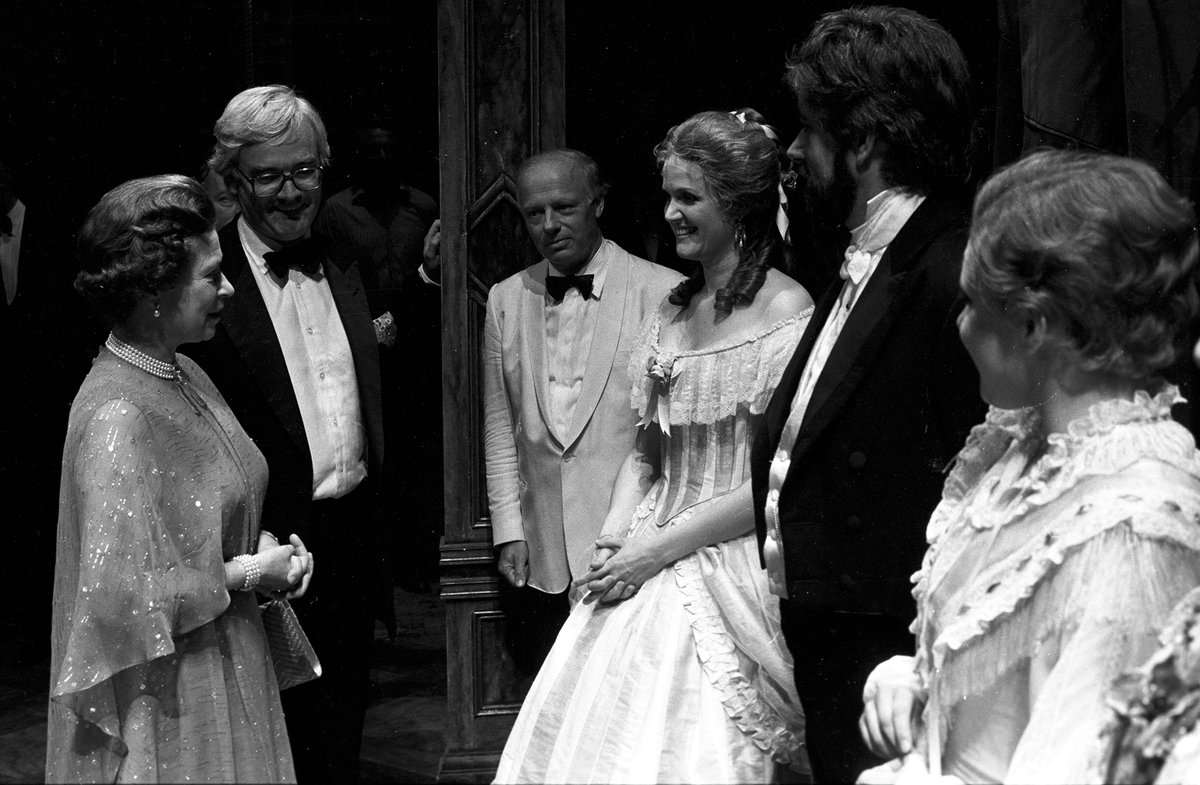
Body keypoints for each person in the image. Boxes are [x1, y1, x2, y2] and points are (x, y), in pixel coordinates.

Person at [858, 149, 1200, 784]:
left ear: (1034, 324)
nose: (958, 327)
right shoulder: (1020, 450)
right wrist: (915, 683)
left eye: (970, 305)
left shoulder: (1137, 527)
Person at [496, 109, 813, 783]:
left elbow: (769, 479)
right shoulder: (671, 307)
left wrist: (652, 550)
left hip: (728, 557)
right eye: (667, 195)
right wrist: (611, 542)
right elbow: (646, 452)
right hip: (642, 545)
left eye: (688, 197)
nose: (669, 212)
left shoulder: (787, 310)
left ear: (738, 202)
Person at [749, 8, 986, 780]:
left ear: (863, 142)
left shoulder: (952, 268)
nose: (792, 150)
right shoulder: (864, 254)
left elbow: (979, 484)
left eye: (810, 130)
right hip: (828, 629)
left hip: (890, 644)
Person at [45, 174, 314, 783]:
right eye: (211, 275)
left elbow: (200, 516)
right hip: (171, 694)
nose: (228, 289)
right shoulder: (119, 416)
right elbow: (117, 603)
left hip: (226, 656)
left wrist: (262, 550)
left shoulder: (183, 370)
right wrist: (249, 572)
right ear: (154, 291)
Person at [184, 85, 385, 784]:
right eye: (269, 175)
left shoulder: (346, 255)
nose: (291, 191)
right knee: (265, 754)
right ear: (235, 178)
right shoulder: (208, 284)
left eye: (305, 170)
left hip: (352, 538)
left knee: (341, 739)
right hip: (262, 550)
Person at [483, 148, 681, 673]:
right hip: (541, 555)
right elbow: (502, 427)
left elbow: (665, 438)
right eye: (533, 213)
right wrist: (509, 529)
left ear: (597, 204)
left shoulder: (661, 291)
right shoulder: (505, 298)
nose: (549, 226)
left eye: (564, 208)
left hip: (626, 548)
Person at [313, 123, 443, 592]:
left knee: (416, 446)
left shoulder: (423, 205)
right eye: (374, 150)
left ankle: (417, 561)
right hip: (359, 334)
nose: (383, 158)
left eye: (392, 148)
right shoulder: (337, 211)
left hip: (416, 330)